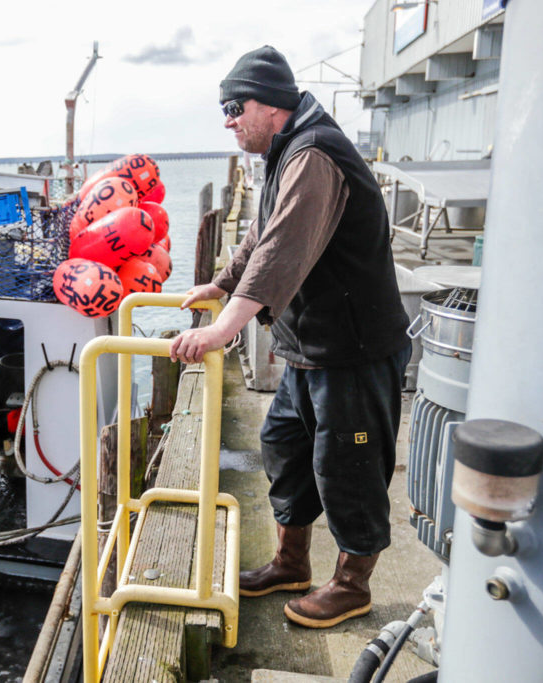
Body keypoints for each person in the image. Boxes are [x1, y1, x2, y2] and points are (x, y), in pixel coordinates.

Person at [169, 45, 411, 629]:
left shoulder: (314, 153)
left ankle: (352, 586)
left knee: (347, 467)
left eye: (233, 107)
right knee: (284, 445)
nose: (226, 121)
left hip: (352, 350)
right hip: (310, 349)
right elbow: (260, 233)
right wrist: (219, 285)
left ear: (270, 104)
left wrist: (224, 331)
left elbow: (282, 252)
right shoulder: (284, 150)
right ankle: (291, 562)